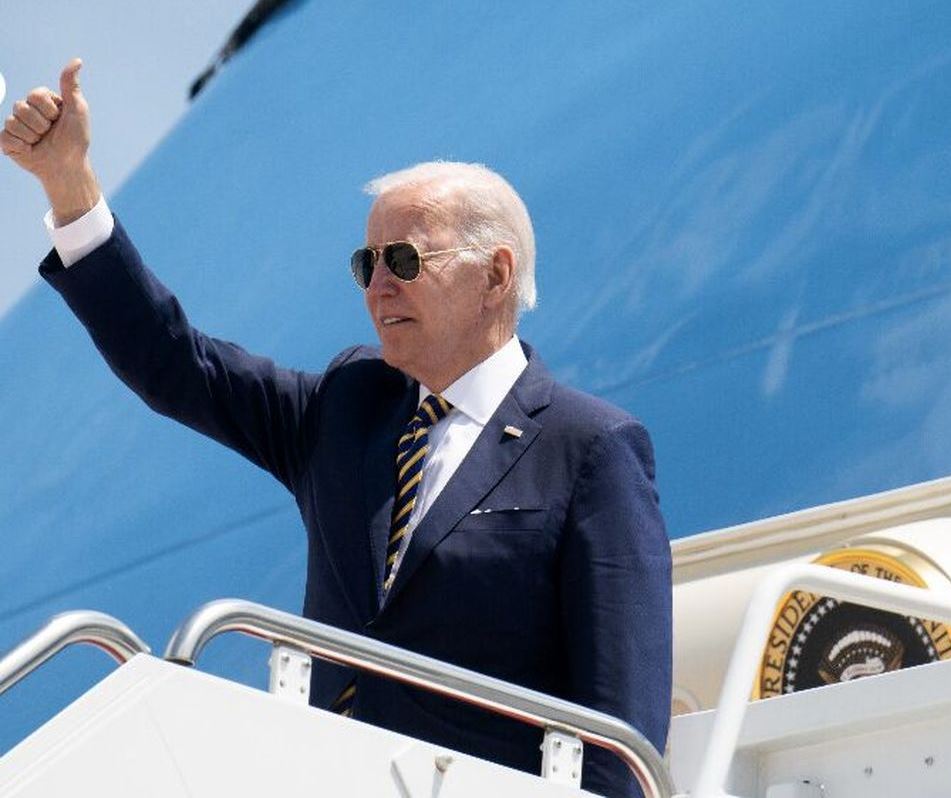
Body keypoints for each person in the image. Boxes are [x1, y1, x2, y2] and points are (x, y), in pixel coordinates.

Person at [3, 60, 672, 797]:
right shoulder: (348, 408)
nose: (378, 286)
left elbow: (620, 738)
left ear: (495, 275)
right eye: (367, 263)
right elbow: (176, 363)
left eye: (405, 260)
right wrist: (69, 183)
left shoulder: (588, 450)